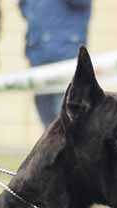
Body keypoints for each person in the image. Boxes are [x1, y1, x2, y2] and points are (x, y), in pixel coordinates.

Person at [18, 0, 92, 128]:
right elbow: (24, 6)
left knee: (66, 119)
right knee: (47, 120)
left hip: (66, 56)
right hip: (38, 54)